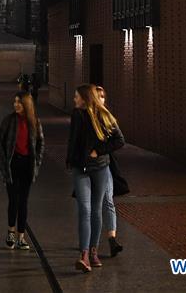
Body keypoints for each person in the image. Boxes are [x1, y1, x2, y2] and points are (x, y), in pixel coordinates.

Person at [66, 84, 125, 273]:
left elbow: (119, 140)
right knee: (84, 209)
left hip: (100, 168)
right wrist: (70, 159)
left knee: (96, 210)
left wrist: (98, 151)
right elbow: (73, 139)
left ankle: (93, 251)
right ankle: (84, 255)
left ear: (85, 98)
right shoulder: (77, 115)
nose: (74, 99)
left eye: (77, 96)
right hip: (80, 168)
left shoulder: (104, 115)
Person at [0, 93, 45, 251]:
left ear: (27, 105)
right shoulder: (9, 120)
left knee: (23, 201)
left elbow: (40, 143)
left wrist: (37, 162)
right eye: (15, 101)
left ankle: (21, 237)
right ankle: (10, 232)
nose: (16, 104)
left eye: (20, 102)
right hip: (12, 164)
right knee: (13, 200)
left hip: (27, 165)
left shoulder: (34, 122)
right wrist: (4, 163)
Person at [95, 85, 129, 257]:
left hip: (105, 164)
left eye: (103, 96)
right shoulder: (83, 117)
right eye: (98, 96)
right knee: (89, 205)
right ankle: (88, 241)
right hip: (88, 167)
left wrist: (101, 150)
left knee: (108, 200)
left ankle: (112, 239)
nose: (101, 99)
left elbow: (120, 140)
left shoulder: (108, 117)